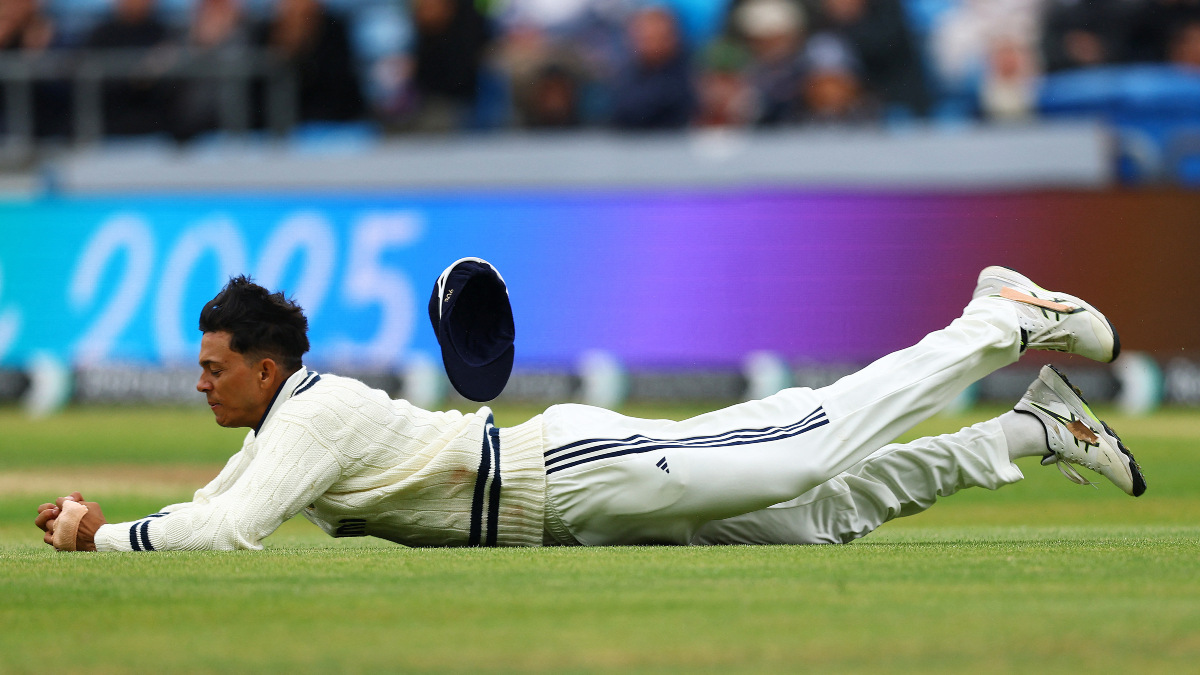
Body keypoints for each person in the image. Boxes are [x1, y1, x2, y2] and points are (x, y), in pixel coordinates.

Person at [36, 265, 1145, 552]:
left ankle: (997, 321)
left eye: (215, 365)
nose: (200, 381)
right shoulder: (290, 423)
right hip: (572, 508)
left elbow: (229, 531)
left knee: (802, 449)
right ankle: (1026, 430)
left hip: (570, 473)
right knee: (825, 517)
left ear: (268, 369)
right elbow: (212, 501)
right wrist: (110, 526)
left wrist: (101, 542)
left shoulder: (313, 416)